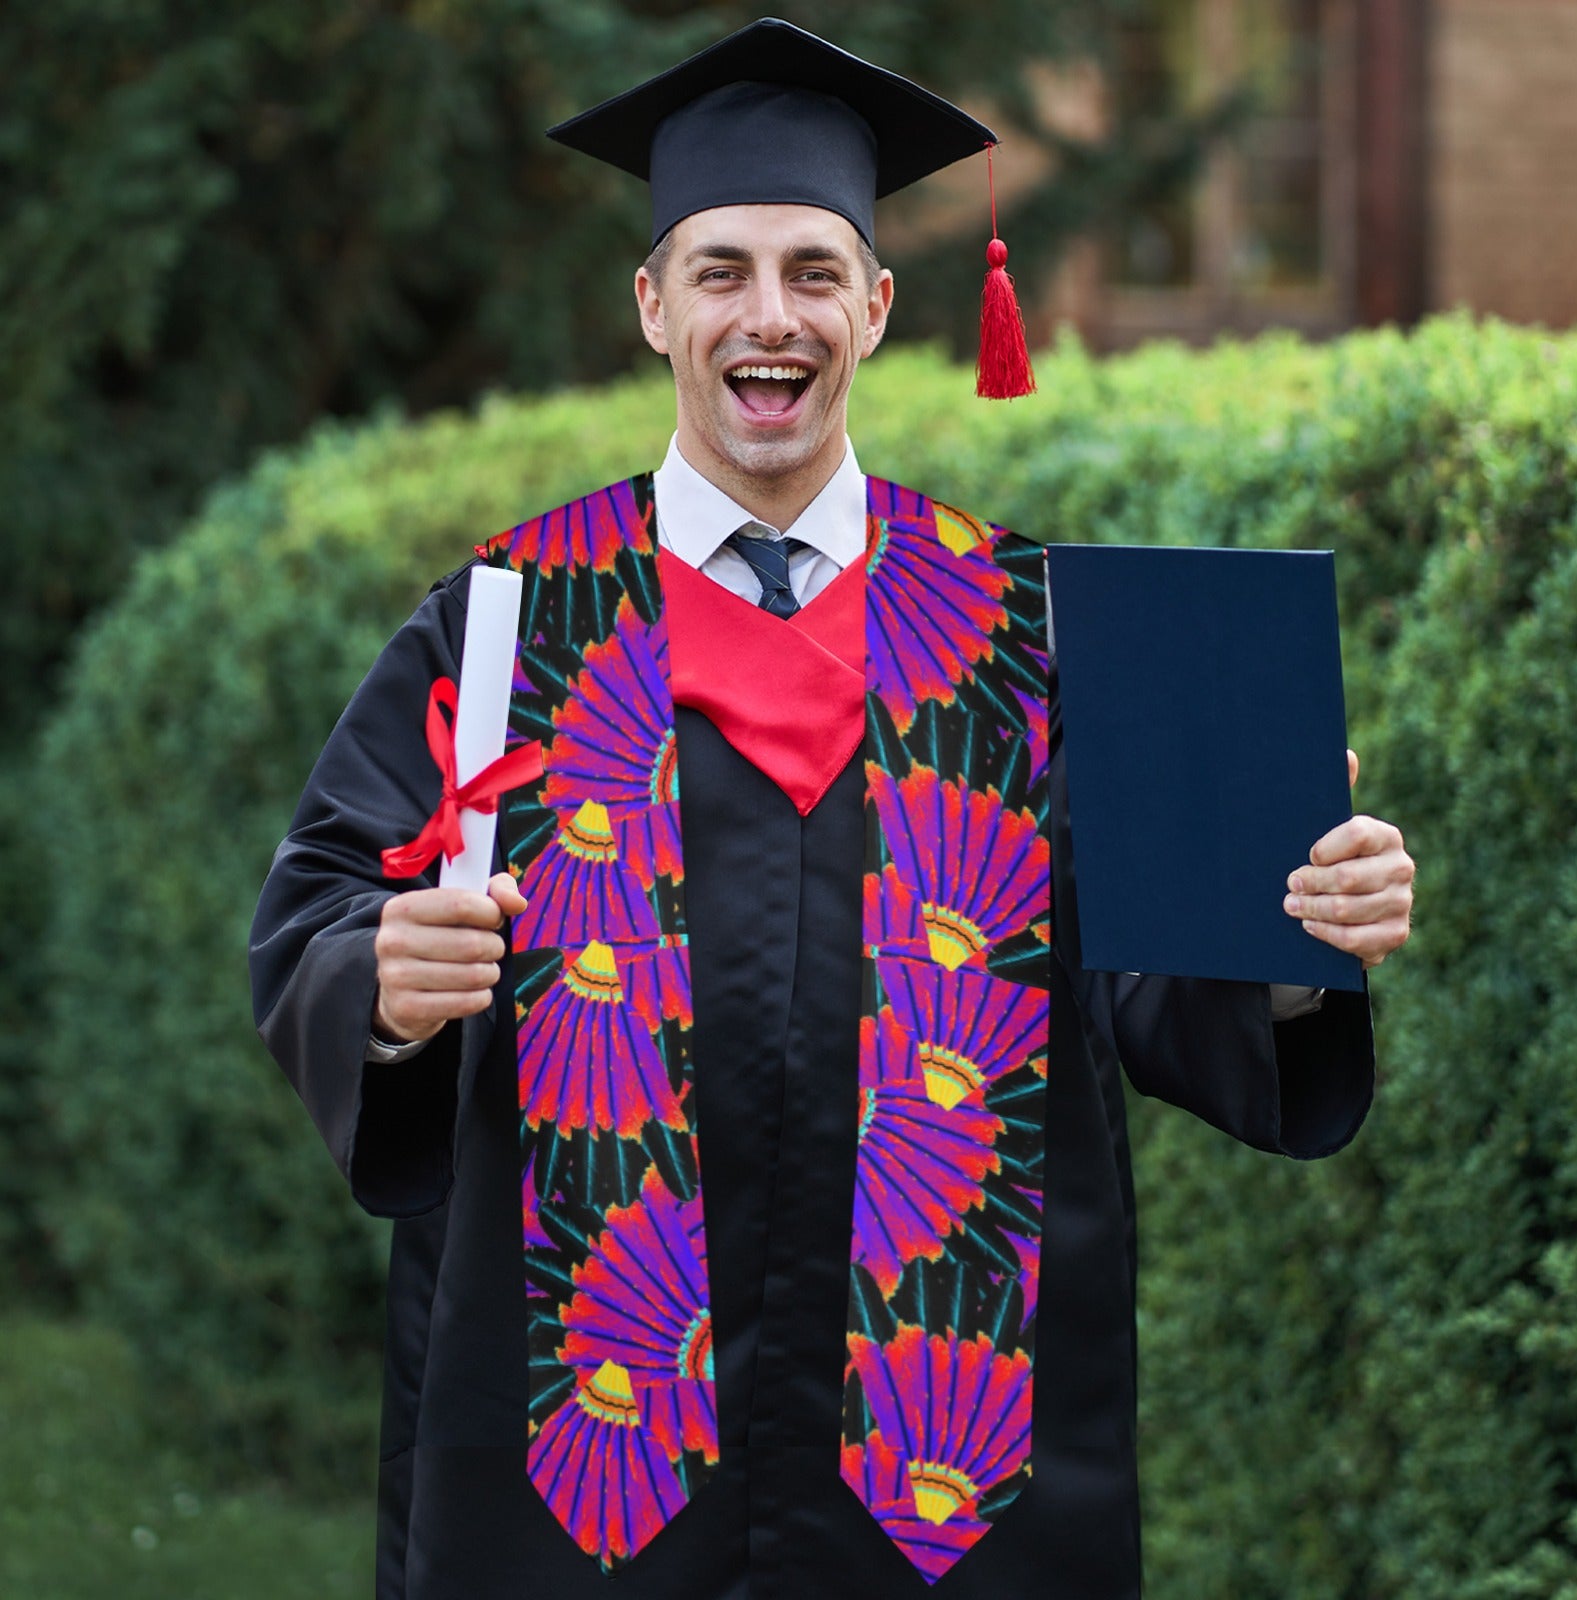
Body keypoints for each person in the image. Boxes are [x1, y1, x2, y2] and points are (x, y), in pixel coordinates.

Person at [249, 19, 1414, 1600]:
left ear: (876, 305)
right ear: (654, 305)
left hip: (955, 1471)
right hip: (582, 1466)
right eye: (721, 270)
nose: (768, 316)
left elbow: (1152, 978)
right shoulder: (514, 625)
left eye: (812, 270)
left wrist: (1292, 935)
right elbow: (323, 902)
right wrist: (379, 984)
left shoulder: (1026, 631)